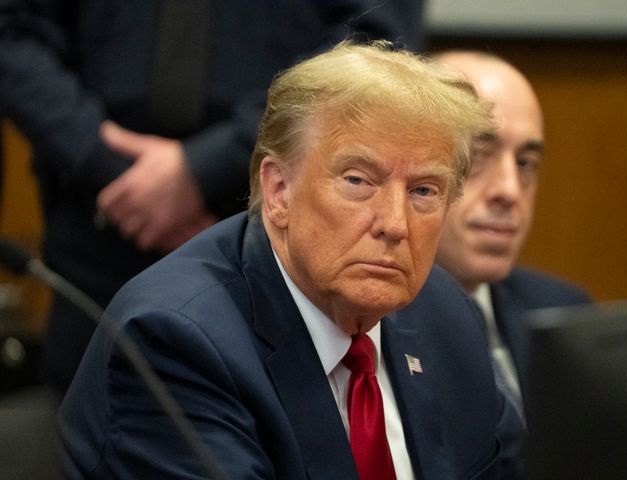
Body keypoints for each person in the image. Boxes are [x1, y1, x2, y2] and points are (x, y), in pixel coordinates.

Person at [58, 41, 521, 479]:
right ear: (279, 190)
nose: (395, 224)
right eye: (359, 181)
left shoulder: (447, 317)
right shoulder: (176, 342)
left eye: (423, 191)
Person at [0, 1, 425, 395]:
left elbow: (375, 38)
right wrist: (104, 161)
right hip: (99, 224)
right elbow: (12, 30)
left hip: (284, 227)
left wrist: (208, 166)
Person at [433, 51, 591, 397]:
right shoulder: (369, 335)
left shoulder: (564, 316)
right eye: (476, 156)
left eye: (525, 163)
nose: (509, 190)